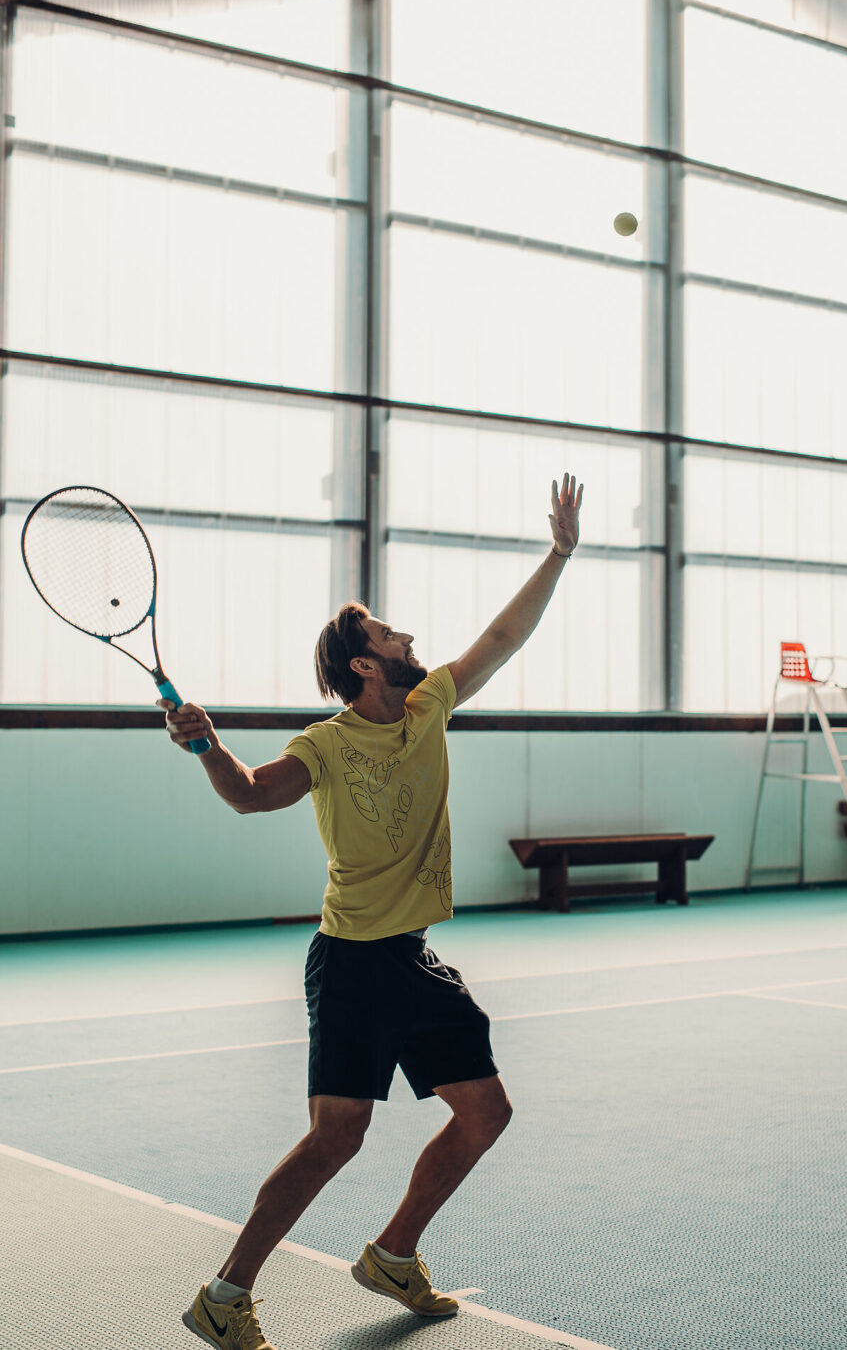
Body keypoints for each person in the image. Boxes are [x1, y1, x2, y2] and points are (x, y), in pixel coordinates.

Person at [167, 474, 583, 1350]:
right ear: (362, 663)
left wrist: (558, 554)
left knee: (486, 1111)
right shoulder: (324, 743)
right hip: (353, 959)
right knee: (336, 1138)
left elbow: (503, 637)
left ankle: (394, 1253)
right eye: (389, 634)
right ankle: (225, 1293)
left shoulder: (428, 706)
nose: (408, 638)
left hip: (413, 957)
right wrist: (207, 745)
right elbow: (249, 792)